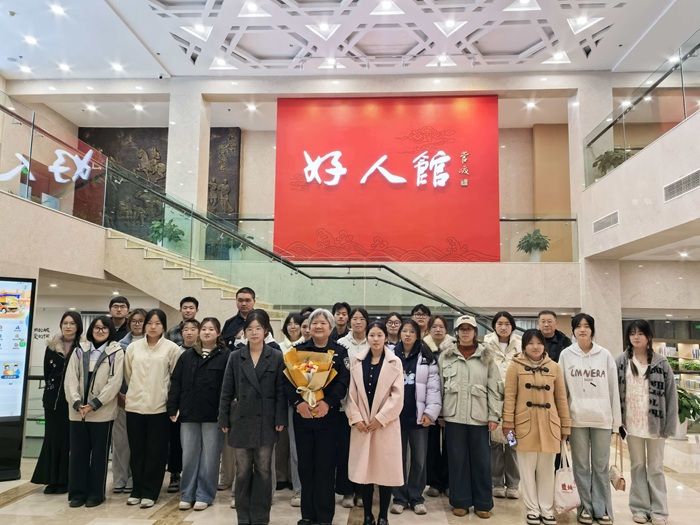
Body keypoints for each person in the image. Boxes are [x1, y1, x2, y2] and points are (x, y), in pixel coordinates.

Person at [219, 310, 287, 525]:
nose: (254, 332)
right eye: (250, 329)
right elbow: (226, 390)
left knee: (264, 470)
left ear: (266, 330)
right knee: (242, 470)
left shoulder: (276, 356)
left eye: (258, 328)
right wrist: (223, 418)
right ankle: (243, 516)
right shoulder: (235, 356)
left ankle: (260, 517)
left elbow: (280, 392)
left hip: (266, 420)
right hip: (241, 420)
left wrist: (280, 418)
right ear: (244, 332)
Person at [283, 308, 350, 525]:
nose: (318, 326)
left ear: (331, 327)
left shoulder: (340, 351)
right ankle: (307, 515)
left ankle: (324, 516)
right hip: (303, 416)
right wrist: (298, 403)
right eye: (314, 323)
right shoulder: (297, 351)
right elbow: (286, 381)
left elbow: (343, 382)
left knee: (325, 467)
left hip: (329, 418)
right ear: (309, 327)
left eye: (323, 323)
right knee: (305, 466)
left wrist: (328, 403)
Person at [502, 329, 571, 525]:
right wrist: (508, 424)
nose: (535, 347)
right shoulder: (515, 366)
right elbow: (510, 397)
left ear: (544, 345)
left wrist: (565, 426)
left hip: (550, 426)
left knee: (547, 471)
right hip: (524, 425)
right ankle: (532, 509)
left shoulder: (554, 367)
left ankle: (546, 509)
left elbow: (561, 399)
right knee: (526, 470)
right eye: (531, 343)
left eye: (539, 343)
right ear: (524, 346)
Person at [559, 313, 621, 525]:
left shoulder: (604, 355)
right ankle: (585, 507)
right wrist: (564, 420)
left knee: (601, 466)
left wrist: (616, 423)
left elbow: (613, 389)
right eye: (578, 326)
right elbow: (562, 391)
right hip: (576, 419)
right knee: (581, 467)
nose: (582, 329)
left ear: (592, 330)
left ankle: (601, 508)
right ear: (573, 331)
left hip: (602, 419)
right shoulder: (566, 355)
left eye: (586, 326)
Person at [439, 315, 501, 519]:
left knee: (482, 462)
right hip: (453, 416)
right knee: (457, 461)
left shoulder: (486, 356)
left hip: (479, 417)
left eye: (469, 329)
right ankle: (460, 502)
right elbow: (439, 386)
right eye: (462, 329)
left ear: (475, 332)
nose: (465, 332)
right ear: (456, 332)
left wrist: (494, 415)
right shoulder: (446, 356)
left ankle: (483, 503)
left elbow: (494, 388)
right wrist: (440, 413)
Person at [616, 320, 678, 525]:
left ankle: (659, 510)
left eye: (640, 333)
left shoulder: (661, 363)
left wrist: (670, 425)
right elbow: (615, 392)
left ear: (648, 336)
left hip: (656, 425)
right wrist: (617, 422)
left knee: (656, 467)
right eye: (632, 333)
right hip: (631, 425)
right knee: (637, 466)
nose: (636, 337)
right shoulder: (621, 361)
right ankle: (640, 508)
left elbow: (671, 396)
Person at [347, 321, 404, 525]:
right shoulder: (357, 361)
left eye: (380, 335)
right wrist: (356, 418)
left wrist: (380, 419)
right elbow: (351, 395)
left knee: (385, 473)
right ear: (367, 337)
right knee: (365, 473)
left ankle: (383, 516)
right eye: (372, 335)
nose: (376, 339)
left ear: (385, 337)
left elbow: (397, 396)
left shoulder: (395, 362)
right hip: (363, 425)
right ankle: (367, 515)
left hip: (385, 425)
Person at [168, 317, 229, 511]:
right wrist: (172, 407)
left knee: (210, 457)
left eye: (211, 329)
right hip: (189, 413)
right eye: (204, 329)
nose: (207, 332)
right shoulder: (187, 355)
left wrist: (225, 414)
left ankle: (204, 494)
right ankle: (187, 493)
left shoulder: (226, 356)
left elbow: (229, 388)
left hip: (213, 415)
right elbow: (176, 382)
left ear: (218, 333)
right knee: (189, 455)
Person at [124, 308, 183, 508]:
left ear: (164, 326)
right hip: (134, 407)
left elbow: (175, 379)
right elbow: (128, 374)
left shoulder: (172, 349)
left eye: (157, 323)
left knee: (155, 453)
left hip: (159, 408)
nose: (152, 327)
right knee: (137, 451)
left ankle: (150, 492)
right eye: (149, 323)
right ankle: (137, 489)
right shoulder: (133, 348)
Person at [64, 316, 124, 508]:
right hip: (78, 412)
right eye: (97, 327)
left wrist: (94, 404)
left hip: (101, 413)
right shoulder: (79, 350)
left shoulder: (116, 352)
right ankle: (77, 494)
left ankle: (96, 494)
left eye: (105, 328)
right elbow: (70, 378)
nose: (100, 331)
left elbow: (114, 383)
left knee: (99, 456)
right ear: (91, 330)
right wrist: (76, 402)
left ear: (110, 331)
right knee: (78, 455)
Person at [391, 319, 441, 516]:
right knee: (398, 459)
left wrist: (430, 413)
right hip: (395, 418)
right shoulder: (391, 355)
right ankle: (399, 497)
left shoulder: (427, 356)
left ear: (418, 335)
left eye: (412, 331)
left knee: (419, 459)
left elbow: (433, 388)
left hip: (419, 417)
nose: (408, 334)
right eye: (405, 331)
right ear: (400, 334)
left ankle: (416, 497)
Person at [31, 311, 83, 494]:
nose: (68, 326)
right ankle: (52, 480)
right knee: (52, 440)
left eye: (72, 323)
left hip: (73, 401)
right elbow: (47, 374)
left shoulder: (83, 347)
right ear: (61, 325)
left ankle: (66, 480)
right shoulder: (52, 347)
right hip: (52, 401)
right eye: (65, 323)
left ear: (78, 326)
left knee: (68, 440)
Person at [482, 311, 522, 499]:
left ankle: (513, 484)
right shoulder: (486, 344)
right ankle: (496, 482)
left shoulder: (520, 343)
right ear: (494, 326)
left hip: (514, 401)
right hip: (494, 400)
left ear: (512, 326)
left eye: (507, 323)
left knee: (512, 444)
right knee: (496, 445)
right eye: (500, 323)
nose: (503, 327)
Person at [336, 307, 370, 508]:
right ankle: (347, 491)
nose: (358, 322)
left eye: (361, 318)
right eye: (354, 318)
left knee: (363, 451)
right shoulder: (341, 343)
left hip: (366, 407)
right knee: (344, 450)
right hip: (344, 405)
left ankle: (362, 491)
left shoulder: (372, 342)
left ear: (367, 322)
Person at [165, 310, 200, 494]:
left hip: (197, 404)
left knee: (195, 443)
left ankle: (195, 476)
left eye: (193, 329)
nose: (189, 332)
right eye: (186, 329)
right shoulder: (174, 351)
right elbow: (171, 379)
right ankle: (175, 474)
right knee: (175, 441)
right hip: (177, 402)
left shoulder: (204, 352)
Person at [114, 308, 148, 494]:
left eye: (141, 320)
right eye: (134, 320)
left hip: (145, 401)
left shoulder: (154, 344)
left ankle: (135, 478)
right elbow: (115, 373)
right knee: (121, 442)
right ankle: (120, 478)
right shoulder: (120, 345)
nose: (137, 323)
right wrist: (119, 394)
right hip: (122, 399)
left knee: (139, 443)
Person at [278, 312, 305, 505]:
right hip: (290, 402)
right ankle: (298, 489)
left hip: (313, 403)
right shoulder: (278, 348)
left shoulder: (310, 348)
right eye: (290, 323)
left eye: (298, 323)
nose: (293, 326)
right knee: (294, 448)